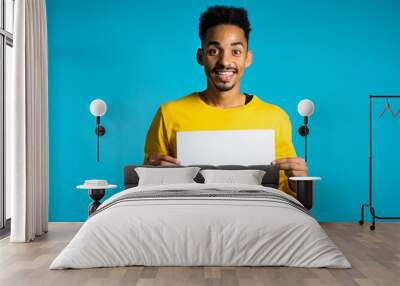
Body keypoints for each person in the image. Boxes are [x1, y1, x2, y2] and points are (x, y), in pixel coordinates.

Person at [143, 5, 307, 197]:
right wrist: (152, 176)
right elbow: (146, 192)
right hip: (188, 218)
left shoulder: (275, 118)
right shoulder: (168, 113)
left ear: (248, 58)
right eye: (214, 51)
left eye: (235, 51)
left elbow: (287, 195)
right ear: (200, 56)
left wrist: (298, 181)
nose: (224, 61)